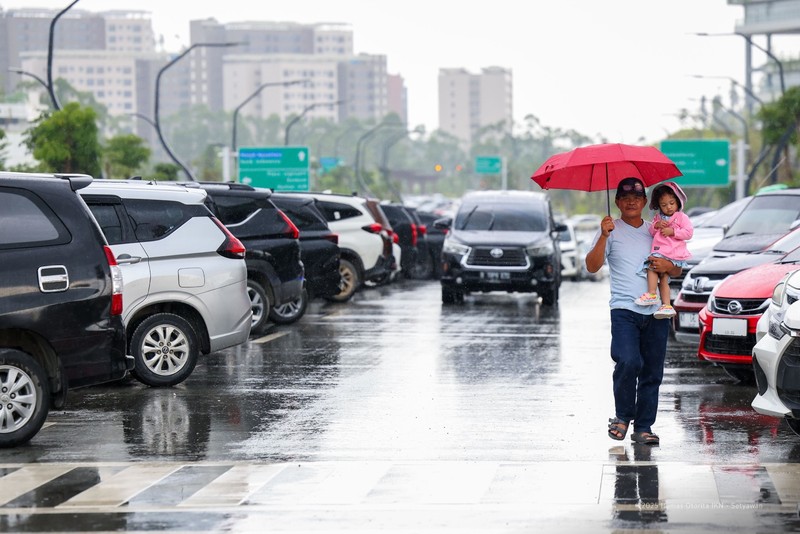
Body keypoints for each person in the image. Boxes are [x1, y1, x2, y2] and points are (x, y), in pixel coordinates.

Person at [584, 177, 682, 446]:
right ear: (617, 201)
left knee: (652, 371)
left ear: (644, 202)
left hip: (656, 312)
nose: (631, 202)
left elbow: (677, 267)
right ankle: (622, 416)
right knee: (628, 361)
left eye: (637, 197)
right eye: (625, 197)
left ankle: (643, 427)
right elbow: (591, 267)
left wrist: (667, 265)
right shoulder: (610, 230)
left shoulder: (656, 230)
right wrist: (603, 236)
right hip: (624, 309)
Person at [634, 182, 693, 320]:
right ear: (659, 206)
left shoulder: (681, 217)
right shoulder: (658, 218)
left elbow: (688, 233)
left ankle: (652, 293)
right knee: (663, 278)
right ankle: (666, 305)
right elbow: (652, 231)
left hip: (671, 253)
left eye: (671, 203)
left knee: (651, 268)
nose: (668, 207)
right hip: (661, 251)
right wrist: (656, 226)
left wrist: (673, 231)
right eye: (664, 205)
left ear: (678, 201)